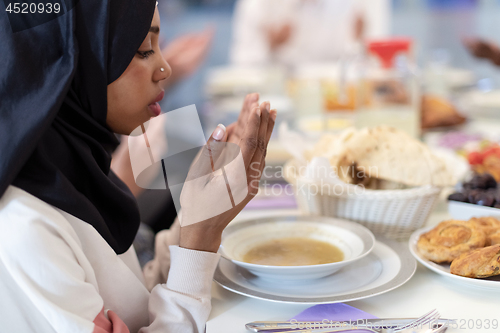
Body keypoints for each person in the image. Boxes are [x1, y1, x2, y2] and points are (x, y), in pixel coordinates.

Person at [0, 2, 275, 333]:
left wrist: (198, 214)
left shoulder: (77, 173)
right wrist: (201, 236)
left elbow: (136, 303)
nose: (165, 68)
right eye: (144, 50)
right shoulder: (28, 227)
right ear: (73, 64)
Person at [230, 0, 391, 67]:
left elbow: (372, 64)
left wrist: (358, 43)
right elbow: (241, 64)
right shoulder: (259, 5)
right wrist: (270, 46)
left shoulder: (351, 7)